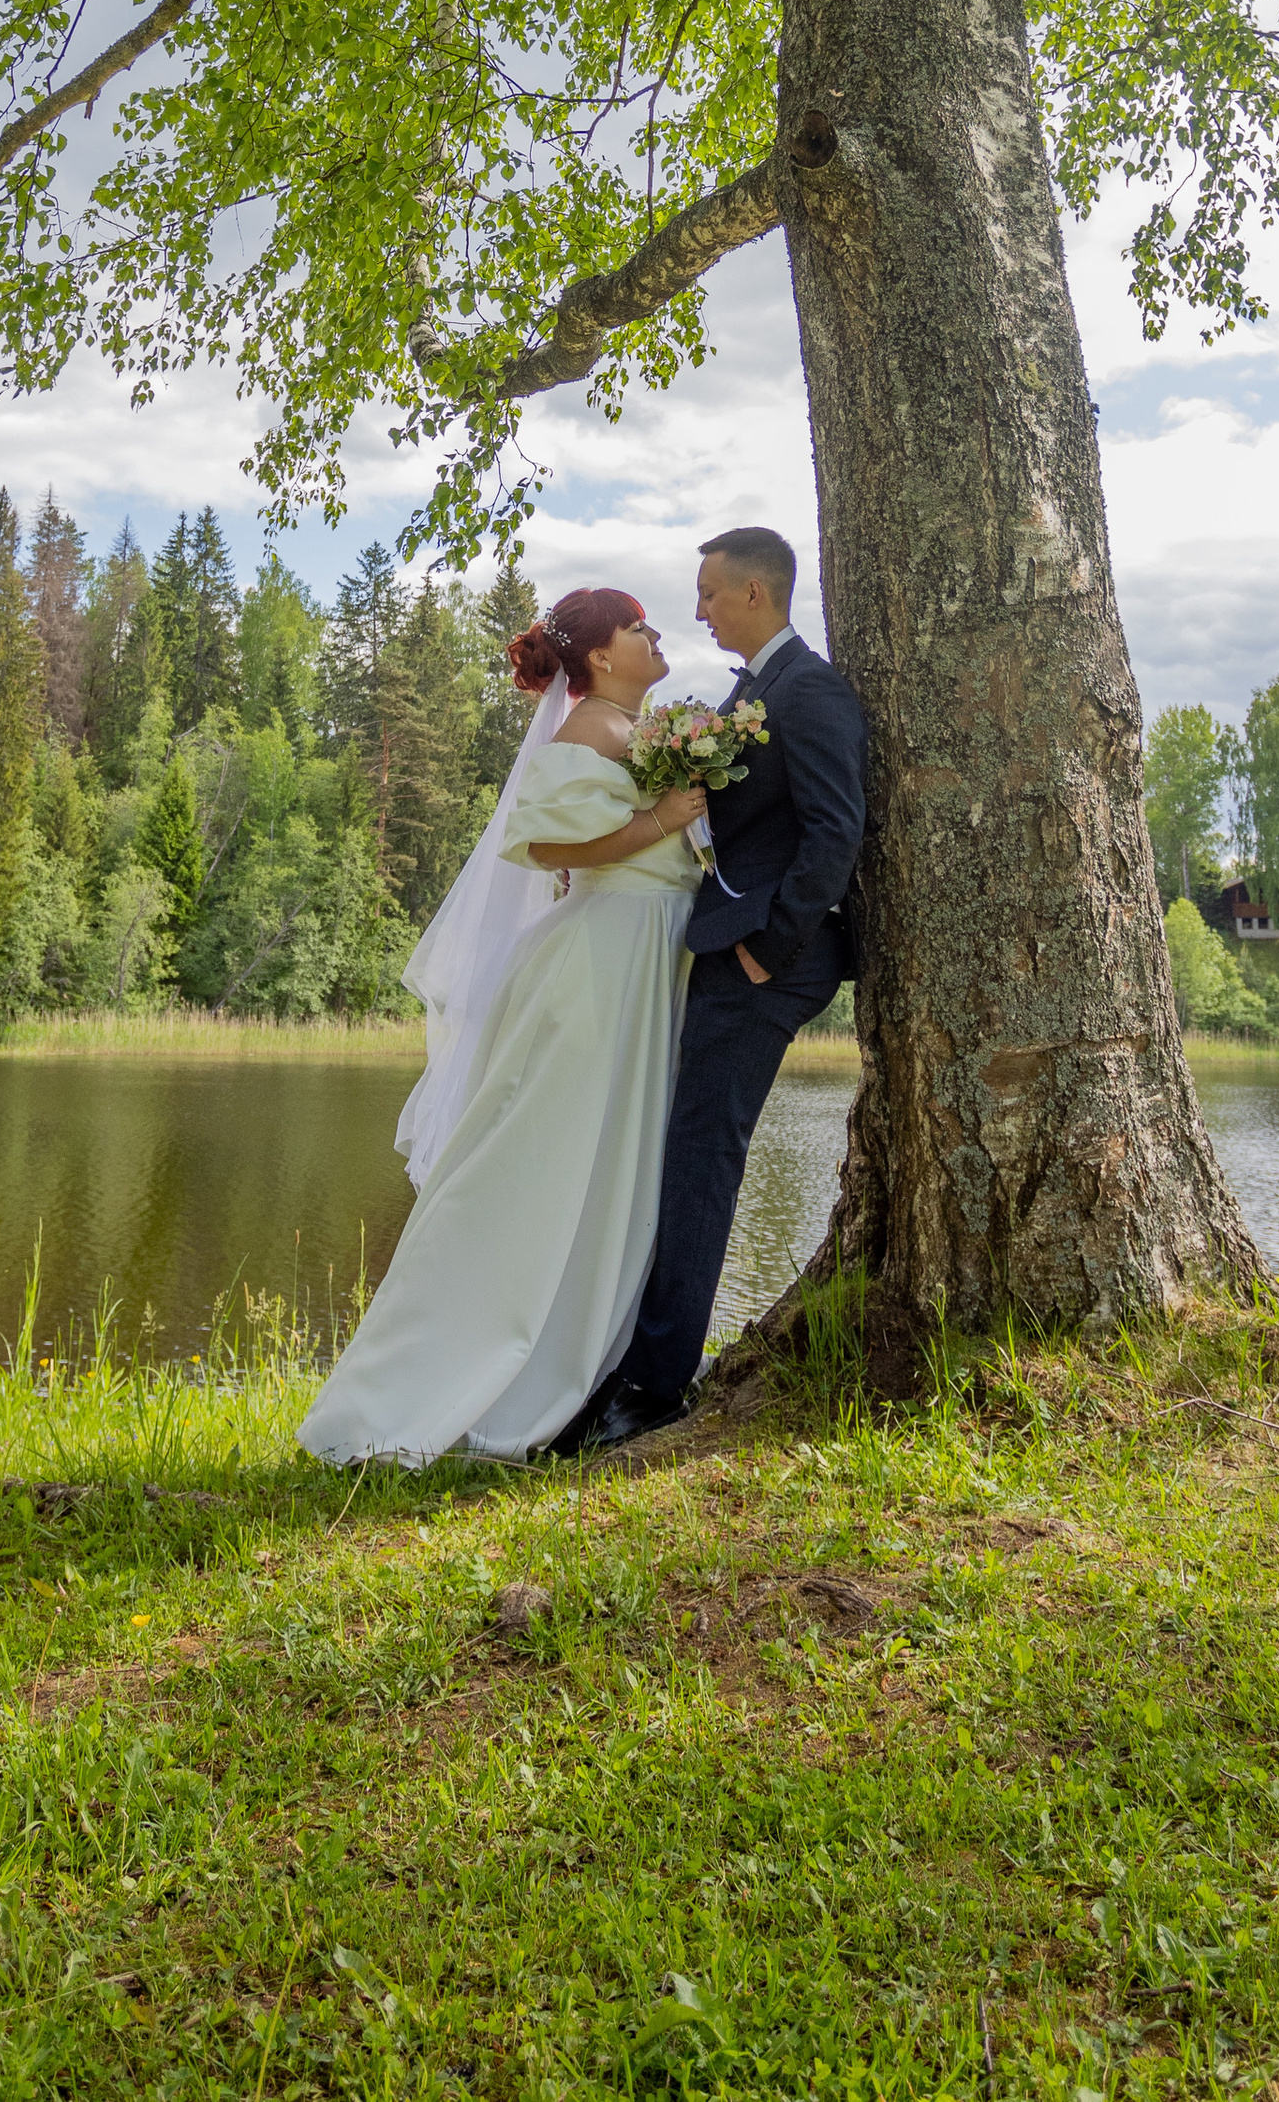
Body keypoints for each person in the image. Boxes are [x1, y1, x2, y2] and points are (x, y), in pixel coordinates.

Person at [296, 586, 706, 1464]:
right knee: (540, 1165)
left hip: (643, 964)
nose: (655, 632)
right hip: (599, 968)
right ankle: (440, 1377)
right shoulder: (587, 731)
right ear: (599, 656)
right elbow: (548, 846)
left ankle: (590, 1357)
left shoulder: (636, 732)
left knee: (608, 1172)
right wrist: (661, 820)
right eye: (637, 625)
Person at [558, 524, 867, 1453]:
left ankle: (654, 1389)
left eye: (707, 592)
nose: (696, 609)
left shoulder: (808, 691)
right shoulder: (753, 691)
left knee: (700, 1156)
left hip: (767, 963)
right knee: (682, 1149)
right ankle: (635, 1359)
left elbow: (834, 831)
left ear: (755, 596)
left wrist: (773, 949)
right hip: (725, 948)